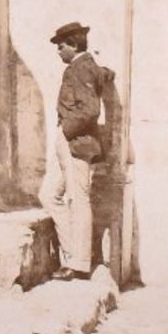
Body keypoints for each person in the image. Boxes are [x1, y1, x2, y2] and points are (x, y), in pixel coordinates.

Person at [46, 22, 117, 279]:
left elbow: (90, 110)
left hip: (75, 142)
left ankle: (78, 264)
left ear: (74, 45)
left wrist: (66, 130)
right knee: (48, 196)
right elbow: (105, 74)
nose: (58, 51)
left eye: (61, 46)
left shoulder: (80, 69)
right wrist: (106, 72)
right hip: (69, 141)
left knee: (78, 201)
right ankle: (71, 254)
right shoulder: (89, 67)